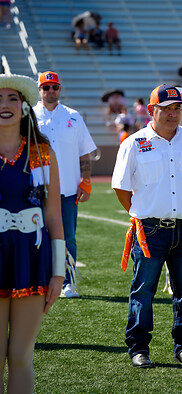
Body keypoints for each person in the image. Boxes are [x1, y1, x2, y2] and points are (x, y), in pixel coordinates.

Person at [112, 85, 182, 368]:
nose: (173, 113)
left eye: (177, 108)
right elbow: (121, 188)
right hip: (149, 230)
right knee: (143, 290)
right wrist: (144, 212)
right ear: (151, 110)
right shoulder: (134, 143)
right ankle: (139, 348)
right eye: (166, 108)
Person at [0, 73, 65, 394]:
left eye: (12, 98)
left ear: (25, 107)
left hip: (32, 259)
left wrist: (58, 272)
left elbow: (53, 215)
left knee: (20, 356)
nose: (5, 104)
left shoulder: (43, 152)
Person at [34, 71, 97, 298]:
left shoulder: (74, 116)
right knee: (36, 236)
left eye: (55, 87)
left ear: (60, 89)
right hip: (37, 189)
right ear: (39, 90)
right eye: (46, 87)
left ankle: (68, 282)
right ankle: (38, 281)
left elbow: (84, 152)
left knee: (68, 237)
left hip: (68, 189)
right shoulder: (29, 116)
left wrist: (86, 181)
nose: (51, 91)